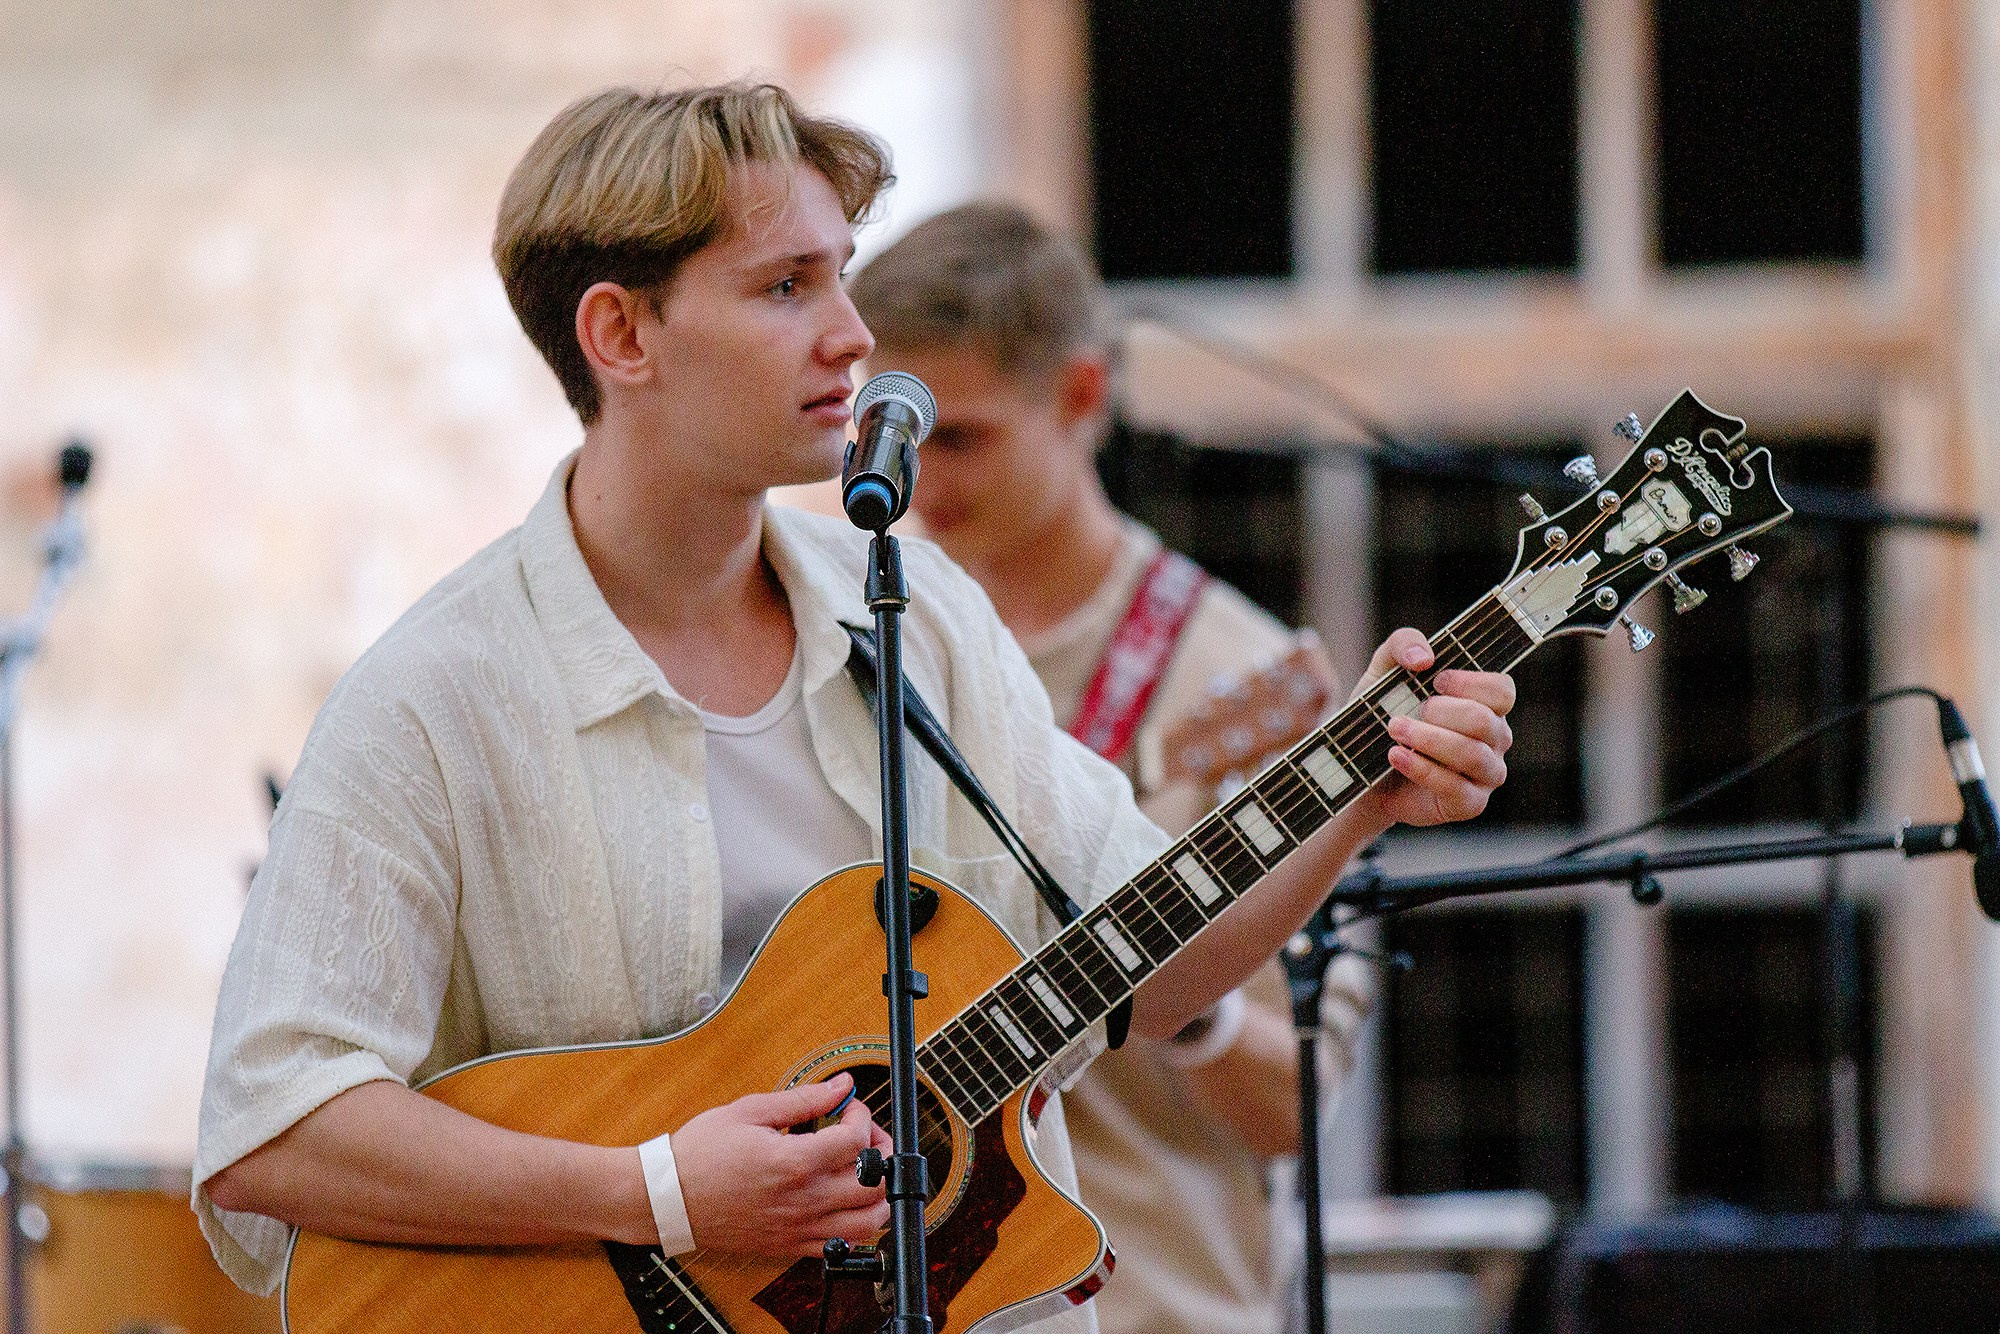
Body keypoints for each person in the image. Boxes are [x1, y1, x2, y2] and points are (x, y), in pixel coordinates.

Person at [192, 83, 1514, 1334]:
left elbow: (1150, 971)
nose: (852, 334)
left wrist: (1362, 786)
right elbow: (272, 1125)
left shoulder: (920, 618)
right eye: (785, 287)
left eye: (839, 273)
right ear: (622, 335)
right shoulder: (433, 696)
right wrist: (655, 1191)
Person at [850, 203, 1373, 1334]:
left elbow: (1296, 1106)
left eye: (961, 438)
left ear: (1082, 395)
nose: (918, 482)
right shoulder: (862, 640)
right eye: (897, 435)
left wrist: (1170, 997)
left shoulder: (1232, 674)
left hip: (1160, 1307)